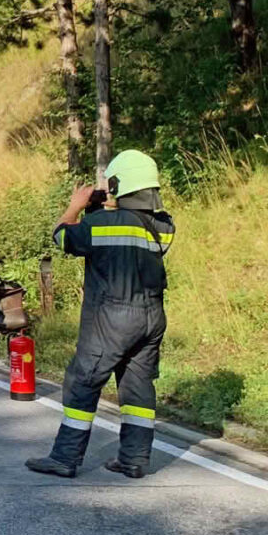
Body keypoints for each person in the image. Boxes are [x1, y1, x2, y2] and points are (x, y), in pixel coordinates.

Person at [27, 150, 175, 479]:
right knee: (137, 387)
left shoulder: (102, 223)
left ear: (119, 184)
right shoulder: (163, 226)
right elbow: (121, 234)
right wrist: (102, 208)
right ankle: (134, 459)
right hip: (151, 319)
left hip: (113, 318)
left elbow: (63, 236)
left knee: (83, 380)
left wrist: (76, 206)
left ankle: (65, 458)